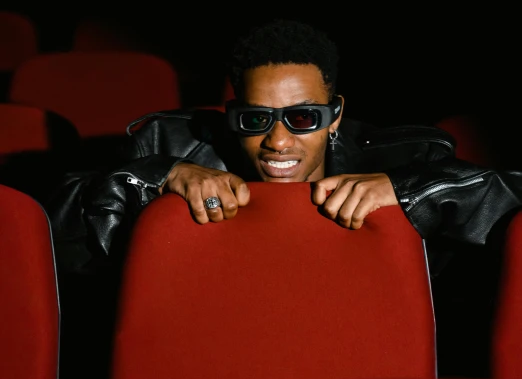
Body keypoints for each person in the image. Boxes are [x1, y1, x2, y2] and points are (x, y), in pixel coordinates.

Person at [48, 17, 522, 280]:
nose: (277, 141)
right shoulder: (169, 145)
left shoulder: (406, 161)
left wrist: (411, 192)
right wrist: (158, 175)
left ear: (334, 114)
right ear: (232, 115)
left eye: (302, 118)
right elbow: (51, 235)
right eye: (255, 119)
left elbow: (508, 209)